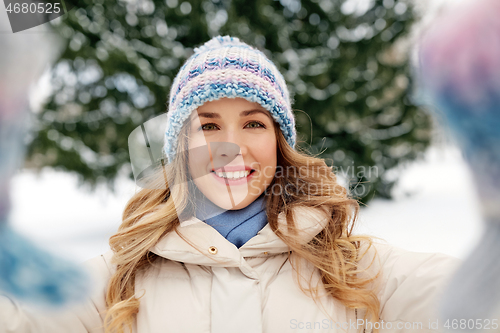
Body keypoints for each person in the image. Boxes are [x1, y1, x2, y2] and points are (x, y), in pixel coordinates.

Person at [0, 36, 459, 333]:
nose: (232, 147)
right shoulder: (117, 279)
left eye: (255, 124)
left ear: (281, 144)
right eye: (209, 125)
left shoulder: (352, 268)